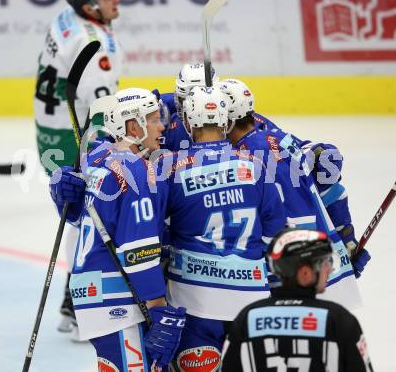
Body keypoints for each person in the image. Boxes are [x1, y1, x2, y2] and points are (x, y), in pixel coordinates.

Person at [49, 88, 186, 370]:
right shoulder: (138, 173)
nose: (162, 126)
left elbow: (80, 216)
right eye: (153, 119)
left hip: (91, 292)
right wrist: (158, 307)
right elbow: (139, 253)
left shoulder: (97, 157)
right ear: (133, 126)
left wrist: (60, 193)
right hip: (117, 299)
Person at [157, 85, 286, 371]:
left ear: (189, 123)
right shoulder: (256, 165)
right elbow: (276, 235)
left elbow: (154, 233)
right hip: (251, 298)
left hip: (194, 300)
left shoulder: (170, 168)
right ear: (227, 122)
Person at [219, 78, 370, 309]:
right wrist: (346, 235)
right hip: (327, 266)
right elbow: (331, 188)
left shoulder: (243, 159)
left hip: (289, 276)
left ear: (227, 120)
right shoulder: (281, 139)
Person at [33, 0, 123, 335]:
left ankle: (76, 300)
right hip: (75, 137)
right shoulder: (93, 44)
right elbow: (105, 111)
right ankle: (77, 303)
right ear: (88, 4)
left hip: (50, 134)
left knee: (79, 211)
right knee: (90, 214)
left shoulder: (66, 19)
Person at [222, 228, 374, 372]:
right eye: (325, 262)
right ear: (305, 273)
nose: (329, 269)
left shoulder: (247, 318)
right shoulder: (339, 319)